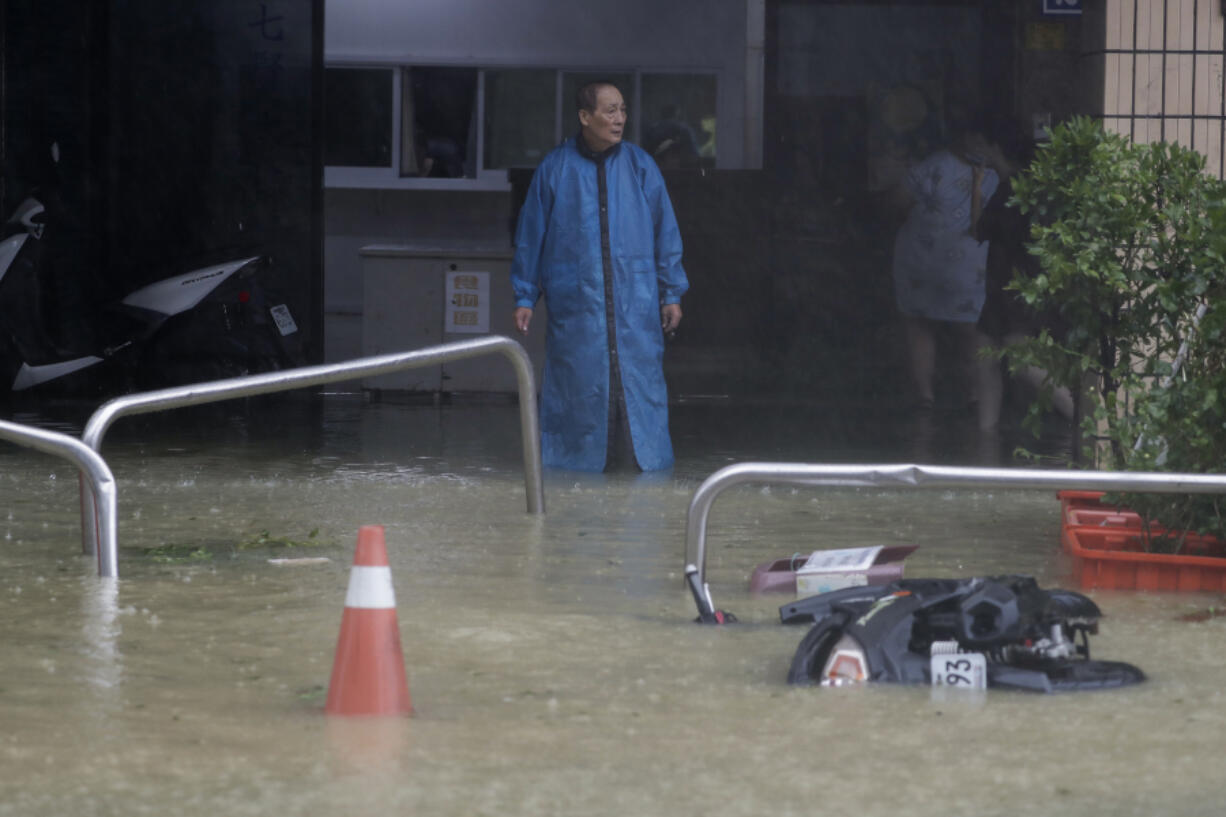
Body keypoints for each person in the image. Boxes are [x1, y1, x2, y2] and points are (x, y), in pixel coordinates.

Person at [511, 81, 689, 472]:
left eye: (623, 110)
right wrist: (525, 296)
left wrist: (671, 291)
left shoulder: (641, 166)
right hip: (578, 310)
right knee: (577, 387)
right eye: (610, 111)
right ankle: (573, 479)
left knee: (639, 387)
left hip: (635, 308)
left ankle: (643, 475)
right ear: (584, 117)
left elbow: (666, 231)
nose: (620, 119)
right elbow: (531, 236)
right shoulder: (555, 170)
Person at [890, 126, 1003, 420]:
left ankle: (926, 397)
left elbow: (898, 201)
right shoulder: (1000, 175)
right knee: (970, 332)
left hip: (922, 260)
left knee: (921, 325)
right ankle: (975, 396)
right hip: (968, 267)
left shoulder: (934, 165)